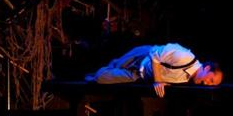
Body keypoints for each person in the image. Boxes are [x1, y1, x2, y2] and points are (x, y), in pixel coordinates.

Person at [85, 43, 223, 97]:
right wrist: (158, 81)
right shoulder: (185, 57)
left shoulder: (189, 79)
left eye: (212, 84)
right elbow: (155, 55)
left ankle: (98, 73)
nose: (207, 84)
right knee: (116, 65)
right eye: (210, 79)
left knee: (100, 79)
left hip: (138, 75)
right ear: (207, 67)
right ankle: (112, 64)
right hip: (140, 57)